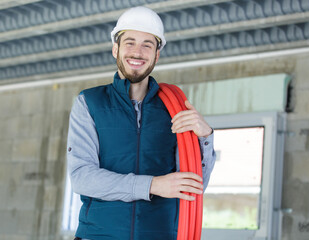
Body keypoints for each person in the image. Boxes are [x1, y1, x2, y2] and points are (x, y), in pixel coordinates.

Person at [67, 6, 216, 240]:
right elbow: (82, 178)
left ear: (156, 55)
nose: (138, 52)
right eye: (130, 42)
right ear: (115, 49)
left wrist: (205, 137)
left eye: (147, 44)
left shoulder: (175, 108)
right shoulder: (89, 103)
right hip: (99, 235)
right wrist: (152, 185)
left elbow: (193, 185)